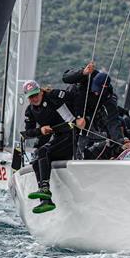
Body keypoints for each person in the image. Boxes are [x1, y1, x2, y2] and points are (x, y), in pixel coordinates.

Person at [20, 80, 85, 214]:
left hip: (71, 133)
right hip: (58, 137)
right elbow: (27, 133)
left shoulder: (54, 95)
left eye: (36, 94)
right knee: (36, 160)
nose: (35, 98)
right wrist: (40, 130)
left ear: (41, 91)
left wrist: (79, 117)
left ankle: (44, 188)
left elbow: (76, 96)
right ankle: (46, 201)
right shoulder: (30, 111)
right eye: (31, 96)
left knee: (43, 151)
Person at [62, 62, 127, 159]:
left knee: (114, 124)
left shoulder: (108, 97)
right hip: (71, 105)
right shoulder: (87, 76)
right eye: (95, 90)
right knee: (70, 131)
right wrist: (82, 72)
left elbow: (113, 121)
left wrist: (120, 142)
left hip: (89, 112)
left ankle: (85, 154)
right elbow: (65, 77)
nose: (96, 93)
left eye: (99, 92)